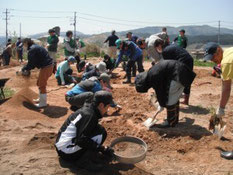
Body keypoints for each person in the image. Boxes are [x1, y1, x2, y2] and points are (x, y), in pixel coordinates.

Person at [55, 91, 115, 172]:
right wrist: (102, 148)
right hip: (66, 153)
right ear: (101, 105)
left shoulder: (89, 109)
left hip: (62, 147)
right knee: (100, 134)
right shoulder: (89, 115)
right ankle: (83, 162)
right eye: (107, 107)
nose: (108, 110)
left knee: (100, 130)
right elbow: (81, 140)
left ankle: (85, 155)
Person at [135, 60, 196, 127]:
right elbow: (161, 88)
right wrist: (161, 103)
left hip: (178, 76)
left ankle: (171, 122)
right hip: (181, 73)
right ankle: (174, 120)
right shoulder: (151, 72)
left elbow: (161, 91)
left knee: (170, 100)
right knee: (174, 98)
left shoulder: (153, 76)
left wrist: (161, 104)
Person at [203, 42, 233, 160]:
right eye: (210, 59)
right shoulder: (229, 51)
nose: (213, 60)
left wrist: (220, 109)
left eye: (213, 57)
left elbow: (226, 88)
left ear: (219, 50)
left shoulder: (227, 62)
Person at [20, 38, 53, 108]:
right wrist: (27, 67)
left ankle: (43, 103)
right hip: (48, 66)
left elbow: (31, 63)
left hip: (46, 67)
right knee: (39, 83)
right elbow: (33, 62)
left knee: (42, 85)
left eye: (23, 44)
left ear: (26, 42)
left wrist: (24, 68)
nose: (23, 46)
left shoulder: (32, 49)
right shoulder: (35, 46)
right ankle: (41, 99)